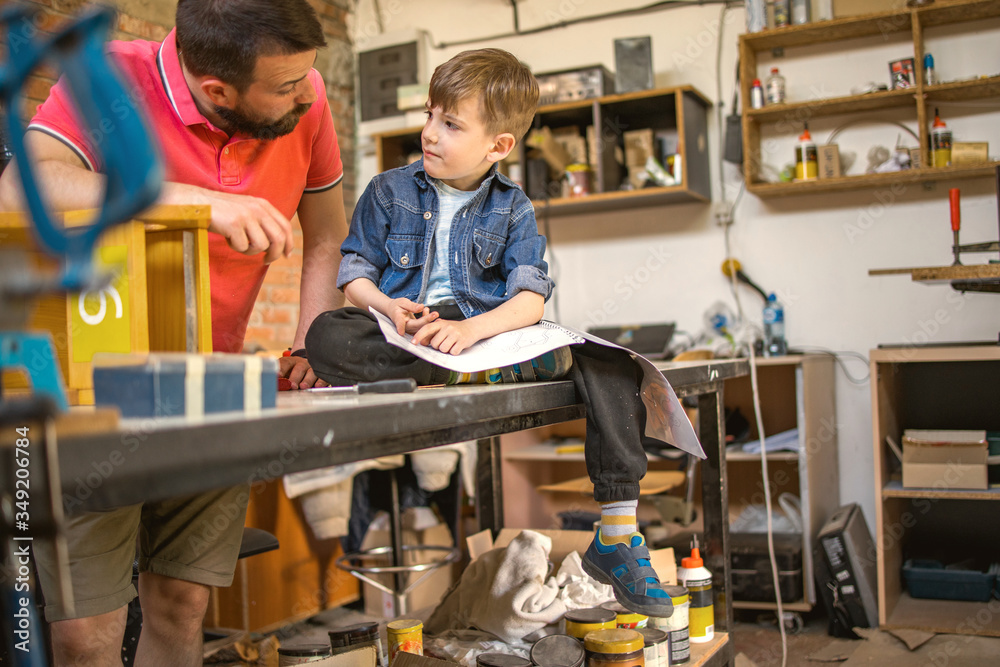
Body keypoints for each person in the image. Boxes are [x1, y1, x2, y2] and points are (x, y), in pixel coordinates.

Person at [0, 0, 348, 664]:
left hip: (211, 390)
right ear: (218, 89)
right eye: (285, 87)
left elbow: (327, 235)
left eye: (308, 77)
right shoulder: (110, 78)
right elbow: (23, 187)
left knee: (182, 604)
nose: (307, 94)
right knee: (86, 632)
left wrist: (310, 339)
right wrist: (198, 202)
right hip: (91, 401)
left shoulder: (306, 90)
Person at [304, 48, 675, 619]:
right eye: (430, 115)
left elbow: (528, 298)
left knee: (608, 362)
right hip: (406, 334)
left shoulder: (514, 207)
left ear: (498, 145)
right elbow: (353, 276)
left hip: (484, 333)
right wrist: (391, 309)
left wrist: (474, 330)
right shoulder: (386, 190)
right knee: (330, 336)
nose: (429, 133)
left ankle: (618, 537)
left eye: (450, 124)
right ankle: (464, 368)